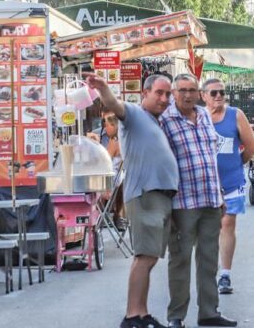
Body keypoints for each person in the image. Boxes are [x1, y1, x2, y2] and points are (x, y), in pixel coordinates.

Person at [85, 73, 179, 328]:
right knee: (144, 257)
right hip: (145, 194)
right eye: (159, 93)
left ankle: (142, 312)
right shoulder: (135, 114)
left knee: (149, 257)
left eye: (168, 94)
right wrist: (103, 88)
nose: (164, 98)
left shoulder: (154, 121)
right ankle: (132, 316)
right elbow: (115, 105)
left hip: (158, 195)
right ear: (145, 94)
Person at [159, 74, 235, 328]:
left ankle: (209, 312)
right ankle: (176, 317)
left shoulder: (202, 115)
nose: (188, 95)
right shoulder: (165, 120)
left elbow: (210, 157)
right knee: (180, 260)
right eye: (182, 90)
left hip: (211, 198)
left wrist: (221, 193)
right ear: (173, 92)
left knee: (209, 258)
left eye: (192, 90)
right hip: (182, 202)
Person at [201, 78, 254, 296]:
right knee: (208, 228)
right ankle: (208, 269)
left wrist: (235, 165)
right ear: (203, 95)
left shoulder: (236, 115)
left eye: (222, 93)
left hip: (231, 182)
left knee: (228, 224)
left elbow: (252, 147)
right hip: (204, 183)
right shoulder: (198, 116)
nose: (218, 97)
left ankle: (225, 274)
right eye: (214, 93)